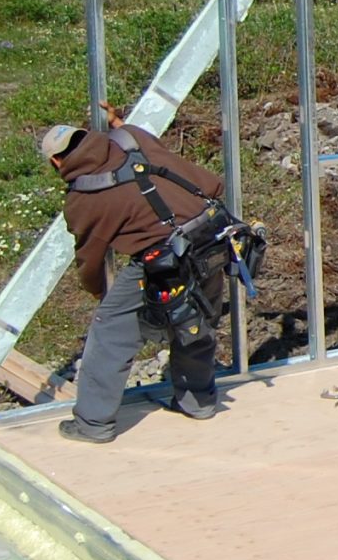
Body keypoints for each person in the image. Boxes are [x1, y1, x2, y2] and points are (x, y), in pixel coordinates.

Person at [41, 113, 226, 444]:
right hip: (212, 237)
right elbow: (150, 147)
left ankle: (93, 424)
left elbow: (90, 257)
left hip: (165, 259)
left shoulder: (82, 198)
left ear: (56, 161)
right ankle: (198, 403)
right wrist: (117, 121)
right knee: (196, 320)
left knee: (110, 332)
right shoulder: (131, 136)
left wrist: (98, 291)